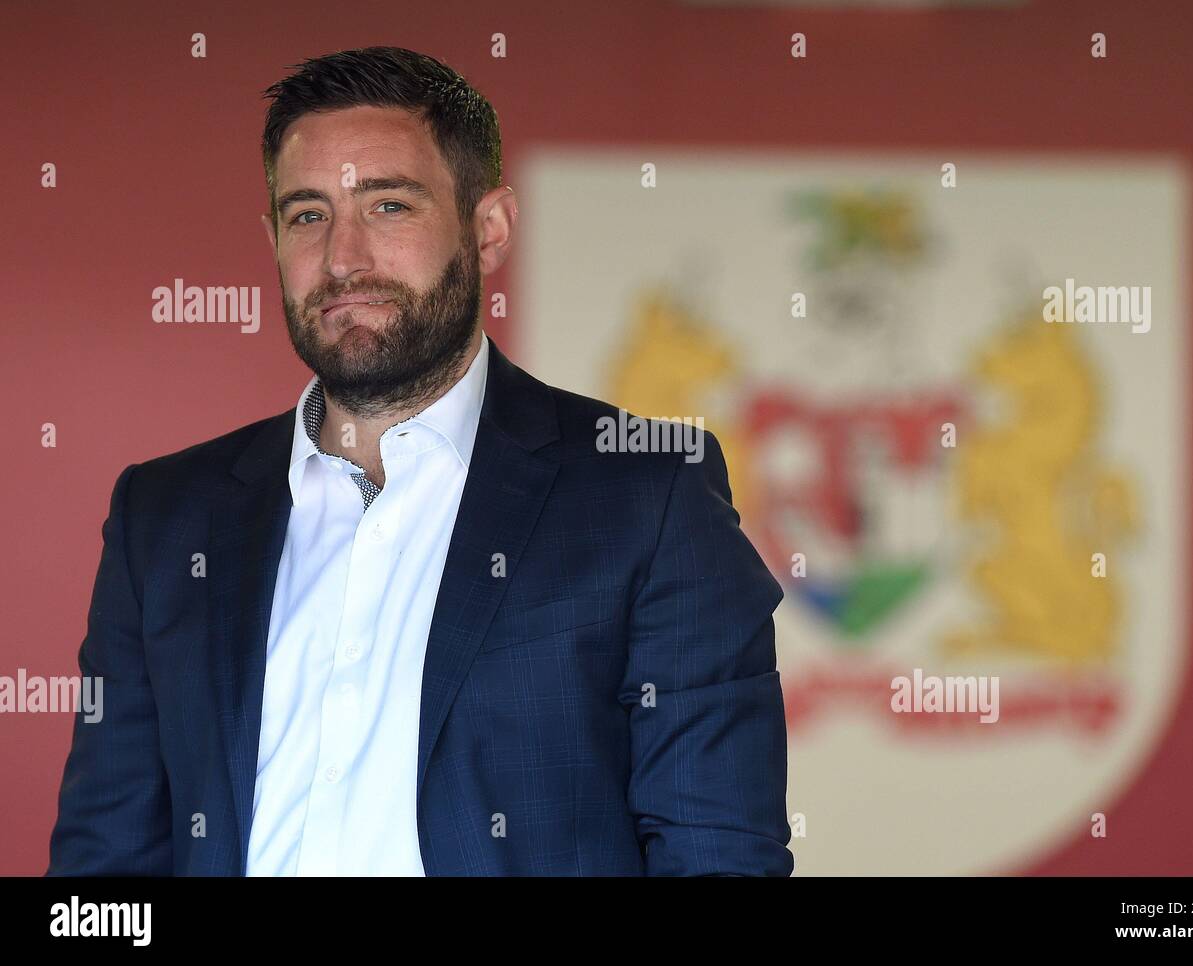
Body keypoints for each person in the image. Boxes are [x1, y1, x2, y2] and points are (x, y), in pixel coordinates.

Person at [47, 46, 792, 876]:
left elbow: (720, 851)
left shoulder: (647, 493)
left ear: (488, 227)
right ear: (272, 238)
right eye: (307, 214)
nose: (342, 259)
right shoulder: (164, 517)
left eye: (389, 206)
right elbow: (102, 869)